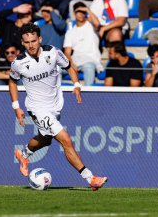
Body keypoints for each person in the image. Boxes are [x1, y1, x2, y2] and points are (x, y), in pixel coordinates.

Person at [10, 22, 107, 191]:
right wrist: (16, 106)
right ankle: (91, 178)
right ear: (22, 43)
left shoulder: (52, 52)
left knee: (45, 140)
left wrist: (76, 84)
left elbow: (69, 67)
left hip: (54, 107)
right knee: (66, 140)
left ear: (39, 39)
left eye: (34, 41)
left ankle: (24, 154)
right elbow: (12, 81)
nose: (31, 45)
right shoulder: (19, 63)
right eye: (27, 42)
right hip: (37, 108)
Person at [64, 2, 103, 86]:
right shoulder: (70, 32)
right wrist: (71, 64)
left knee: (89, 69)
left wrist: (87, 10)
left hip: (90, 60)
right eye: (79, 11)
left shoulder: (91, 26)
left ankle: (88, 97)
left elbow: (98, 24)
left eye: (83, 12)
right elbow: (67, 52)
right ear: (74, 13)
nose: (82, 14)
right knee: (56, 70)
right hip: (75, 61)